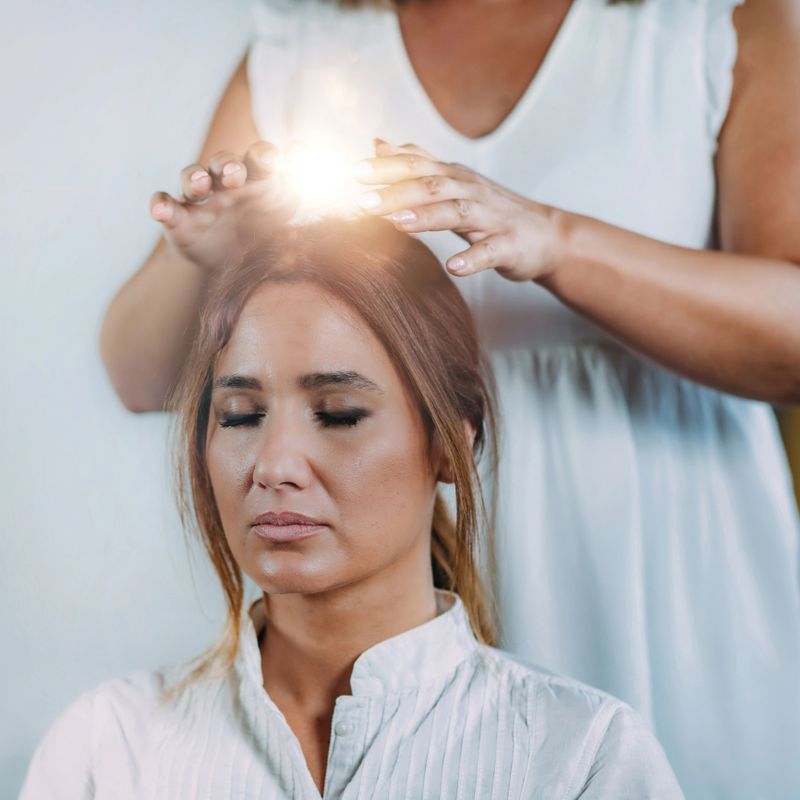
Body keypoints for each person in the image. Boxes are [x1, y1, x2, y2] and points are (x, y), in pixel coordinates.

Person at [99, 1, 800, 796]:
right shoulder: (304, 51)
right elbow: (141, 377)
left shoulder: (713, 28)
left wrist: (554, 241)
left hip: (663, 556)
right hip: (398, 558)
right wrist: (204, 259)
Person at [23, 219, 683, 798]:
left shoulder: (584, 759)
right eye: (241, 415)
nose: (275, 464)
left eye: (338, 414)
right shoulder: (105, 750)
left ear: (452, 444)